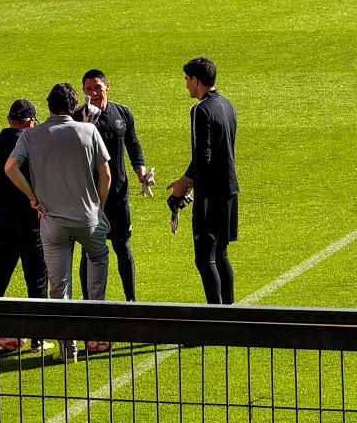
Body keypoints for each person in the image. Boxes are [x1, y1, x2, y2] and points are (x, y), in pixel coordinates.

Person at [5, 83, 112, 362]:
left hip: (53, 222)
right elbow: (106, 175)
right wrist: (99, 208)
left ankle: (68, 350)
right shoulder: (88, 130)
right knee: (98, 262)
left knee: (59, 287)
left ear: (48, 106)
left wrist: (32, 197)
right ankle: (95, 335)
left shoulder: (31, 134)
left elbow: (10, 167)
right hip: (89, 218)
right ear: (72, 105)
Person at [73, 69, 154, 302]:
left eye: (97, 87)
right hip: (88, 196)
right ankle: (89, 303)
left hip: (118, 194)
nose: (94, 93)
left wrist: (140, 171)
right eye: (88, 89)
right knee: (88, 252)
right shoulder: (79, 117)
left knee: (122, 247)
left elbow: (133, 143)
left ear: (108, 86)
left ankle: (131, 301)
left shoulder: (123, 113)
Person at [0, 99, 50, 353]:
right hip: (31, 225)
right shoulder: (35, 144)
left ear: (9, 120)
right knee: (37, 282)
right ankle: (38, 339)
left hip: (1, 225)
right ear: (31, 121)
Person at [168, 57, 239, 305]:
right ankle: (229, 314)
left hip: (211, 193)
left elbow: (203, 156)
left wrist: (182, 184)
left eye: (187, 80)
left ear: (196, 80)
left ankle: (214, 319)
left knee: (205, 257)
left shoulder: (201, 110)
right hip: (230, 189)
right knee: (221, 254)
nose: (186, 85)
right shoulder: (227, 104)